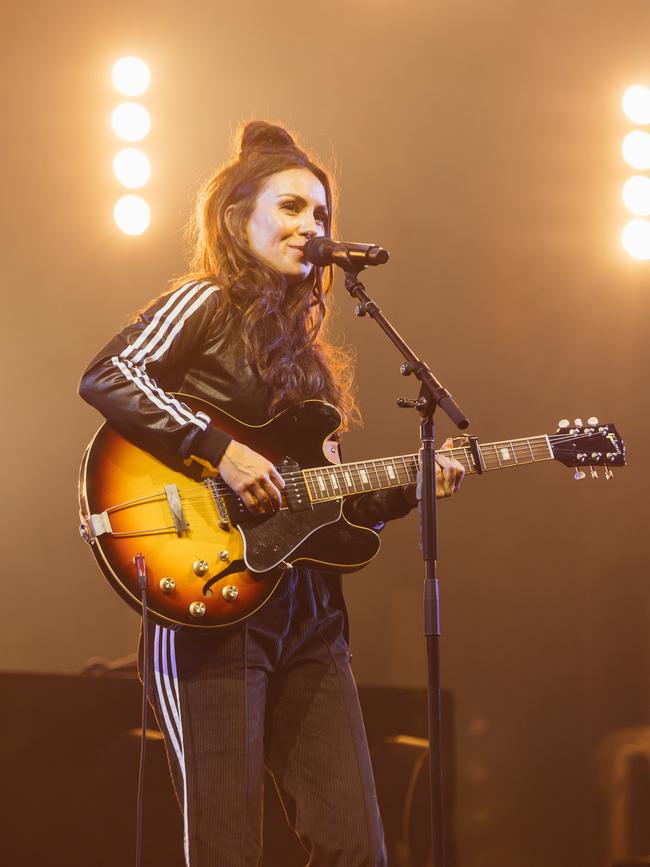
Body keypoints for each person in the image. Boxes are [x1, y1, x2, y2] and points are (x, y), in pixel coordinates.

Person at [79, 121, 464, 867]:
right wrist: (219, 449)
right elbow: (108, 375)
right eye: (290, 208)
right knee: (228, 851)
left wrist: (412, 485)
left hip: (311, 620)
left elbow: (328, 505)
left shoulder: (310, 367)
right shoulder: (204, 302)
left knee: (359, 849)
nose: (310, 227)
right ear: (239, 217)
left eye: (320, 215)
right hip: (210, 608)